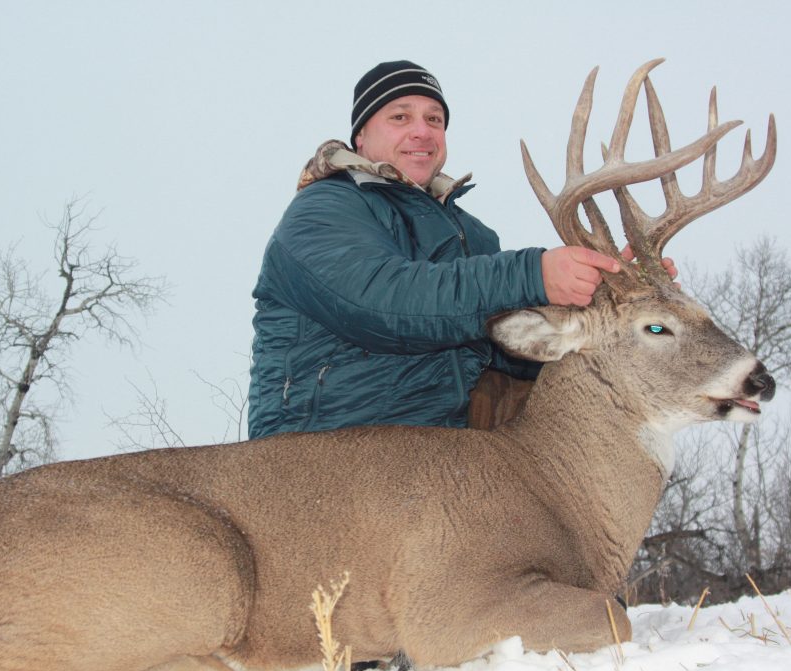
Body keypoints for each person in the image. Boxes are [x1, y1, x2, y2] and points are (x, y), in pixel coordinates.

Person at [247, 60, 630, 440]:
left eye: (434, 120)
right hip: (322, 453)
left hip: (440, 451)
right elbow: (384, 304)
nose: (422, 132)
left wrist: (602, 303)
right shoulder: (323, 210)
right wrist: (534, 275)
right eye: (400, 117)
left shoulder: (469, 232)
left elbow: (504, 342)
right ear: (360, 135)